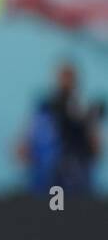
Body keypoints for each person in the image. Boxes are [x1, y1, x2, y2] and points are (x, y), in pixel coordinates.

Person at [18, 61, 103, 195]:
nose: (65, 83)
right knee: (49, 211)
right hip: (45, 181)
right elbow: (24, 145)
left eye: (69, 79)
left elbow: (96, 148)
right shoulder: (45, 108)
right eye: (63, 78)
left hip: (77, 181)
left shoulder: (84, 110)